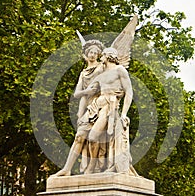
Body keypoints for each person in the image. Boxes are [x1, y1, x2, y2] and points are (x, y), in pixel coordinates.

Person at [83, 47, 137, 175]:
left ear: (108, 56)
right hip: (96, 106)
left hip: (109, 107)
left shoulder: (119, 70)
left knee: (93, 136)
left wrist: (124, 113)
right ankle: (94, 167)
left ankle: (92, 167)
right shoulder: (101, 72)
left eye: (102, 55)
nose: (100, 57)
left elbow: (129, 91)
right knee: (82, 135)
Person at [54, 39, 104, 176]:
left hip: (102, 104)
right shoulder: (83, 73)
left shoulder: (102, 67)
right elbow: (77, 94)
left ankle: (93, 168)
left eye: (95, 52)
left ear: (99, 54)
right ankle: (67, 169)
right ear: (86, 54)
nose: (93, 54)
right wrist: (79, 113)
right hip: (89, 108)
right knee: (79, 137)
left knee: (95, 139)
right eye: (90, 52)